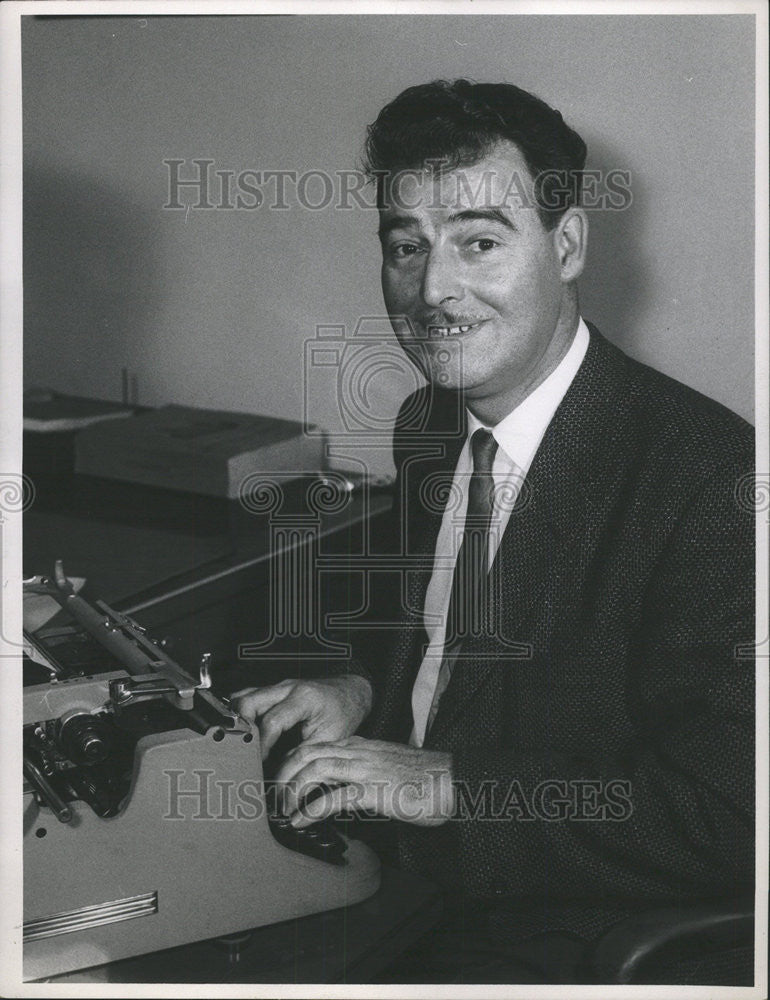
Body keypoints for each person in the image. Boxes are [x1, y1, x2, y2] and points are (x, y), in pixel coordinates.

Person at [233, 80, 755, 983]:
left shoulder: (710, 479)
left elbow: (731, 812)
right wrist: (362, 692)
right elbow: (444, 642)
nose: (433, 290)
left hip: (564, 919)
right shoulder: (431, 422)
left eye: (479, 241)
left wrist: (450, 788)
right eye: (407, 247)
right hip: (403, 865)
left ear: (568, 245)